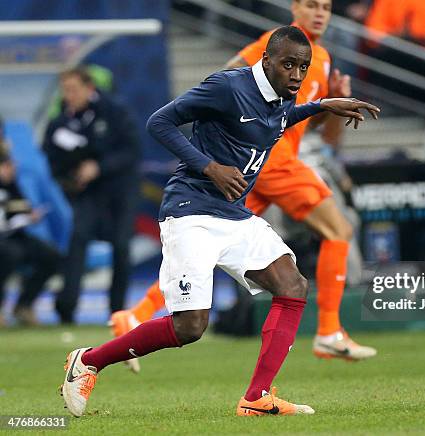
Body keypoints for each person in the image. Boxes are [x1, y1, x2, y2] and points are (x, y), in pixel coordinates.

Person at [60, 25, 380, 417]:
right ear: (266, 62)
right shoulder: (227, 87)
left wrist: (320, 106)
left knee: (292, 285)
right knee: (190, 327)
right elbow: (159, 122)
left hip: (234, 216)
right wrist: (209, 166)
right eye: (288, 65)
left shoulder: (282, 94)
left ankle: (258, 397)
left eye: (303, 66)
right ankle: (88, 361)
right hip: (190, 212)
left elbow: (275, 122)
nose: (297, 75)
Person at [110, 0, 378, 365]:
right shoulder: (273, 44)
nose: (320, 13)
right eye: (311, 5)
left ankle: (138, 313)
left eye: (327, 7)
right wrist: (215, 153)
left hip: (255, 169)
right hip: (271, 162)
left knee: (205, 253)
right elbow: (231, 84)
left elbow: (297, 123)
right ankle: (329, 330)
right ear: (295, 7)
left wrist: (326, 102)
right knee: (339, 229)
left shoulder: (320, 58)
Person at [43, 67, 141, 324]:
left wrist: (99, 166)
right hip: (89, 193)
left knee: (121, 246)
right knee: (77, 238)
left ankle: (116, 310)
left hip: (121, 190)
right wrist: (69, 180)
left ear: (89, 88)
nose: (69, 95)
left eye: (73, 89)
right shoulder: (60, 121)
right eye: (65, 90)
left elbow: (132, 151)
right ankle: (66, 309)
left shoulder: (114, 111)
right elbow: (51, 160)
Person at [0, 132, 59, 327]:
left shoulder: (10, 181)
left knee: (50, 255)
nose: (12, 169)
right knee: (9, 255)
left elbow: (19, 206)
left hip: (14, 234)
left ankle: (24, 305)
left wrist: (29, 215)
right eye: (7, 166)